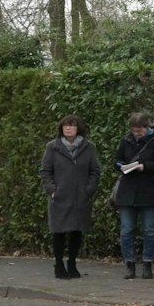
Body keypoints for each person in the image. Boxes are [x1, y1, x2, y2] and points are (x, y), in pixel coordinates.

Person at [39, 115, 99, 280]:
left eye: (71, 125)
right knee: (59, 232)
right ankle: (59, 265)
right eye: (65, 125)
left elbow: (94, 171)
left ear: (78, 128)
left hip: (80, 197)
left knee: (77, 231)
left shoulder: (88, 147)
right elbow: (45, 171)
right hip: (60, 197)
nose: (68, 128)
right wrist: (52, 190)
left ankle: (72, 264)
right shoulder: (53, 147)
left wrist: (89, 190)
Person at [114, 113, 154, 279]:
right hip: (128, 191)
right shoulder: (126, 140)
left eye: (139, 130)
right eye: (134, 130)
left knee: (150, 230)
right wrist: (121, 166)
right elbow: (117, 159)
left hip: (149, 190)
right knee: (126, 230)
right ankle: (129, 264)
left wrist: (144, 167)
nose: (137, 133)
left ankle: (147, 263)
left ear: (147, 127)